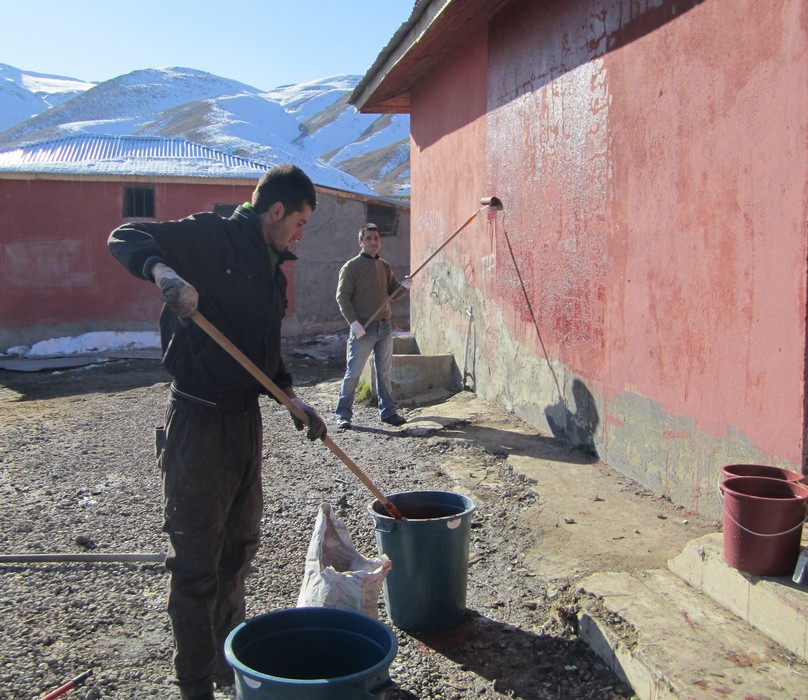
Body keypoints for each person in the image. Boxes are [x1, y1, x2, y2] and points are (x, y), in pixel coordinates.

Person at [107, 163, 327, 700]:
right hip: (198, 423)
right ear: (275, 210)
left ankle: (230, 665)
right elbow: (125, 236)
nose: (301, 234)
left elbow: (263, 357)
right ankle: (194, 687)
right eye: (299, 222)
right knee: (196, 563)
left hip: (243, 424)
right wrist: (162, 272)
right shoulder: (210, 237)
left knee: (238, 551)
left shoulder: (273, 269)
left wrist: (291, 398)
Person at [334, 222, 411, 429]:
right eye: (368, 238)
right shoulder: (351, 267)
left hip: (384, 326)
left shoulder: (384, 266)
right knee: (353, 372)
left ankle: (388, 412)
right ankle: (343, 414)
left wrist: (404, 286)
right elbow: (342, 297)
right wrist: (354, 323)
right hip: (363, 328)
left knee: (384, 372)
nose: (373, 242)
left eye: (376, 238)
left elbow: (393, 292)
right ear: (361, 242)